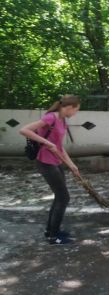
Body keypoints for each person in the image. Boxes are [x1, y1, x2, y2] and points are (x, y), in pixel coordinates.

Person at [19, 95, 81, 245]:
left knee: (60, 197)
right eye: (76, 110)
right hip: (45, 162)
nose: (76, 113)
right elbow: (24, 130)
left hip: (56, 161)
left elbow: (59, 147)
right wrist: (46, 142)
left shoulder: (62, 120)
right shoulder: (50, 117)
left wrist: (71, 164)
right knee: (63, 197)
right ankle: (54, 237)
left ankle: (51, 231)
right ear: (69, 107)